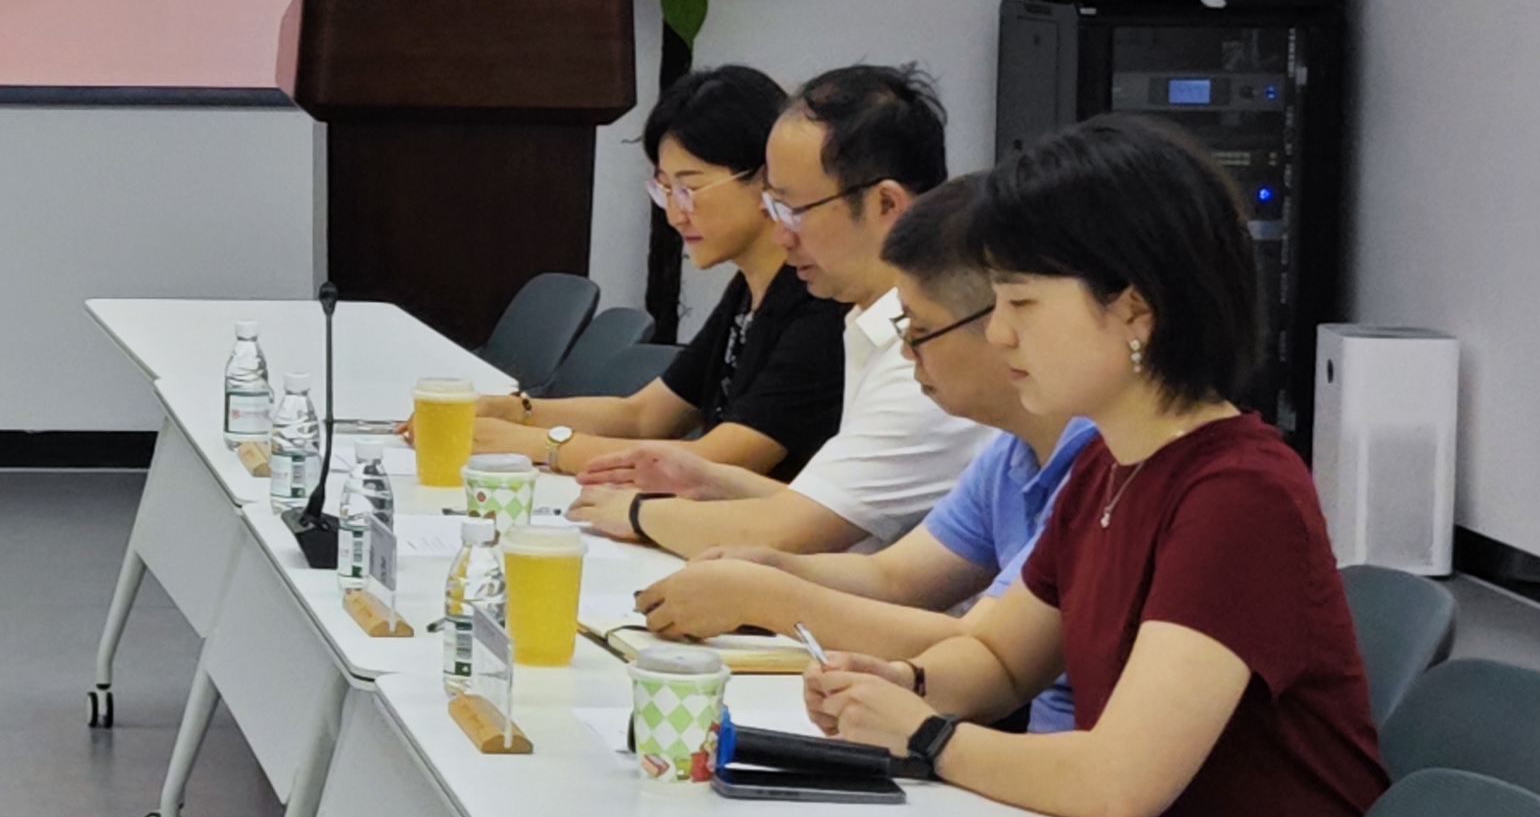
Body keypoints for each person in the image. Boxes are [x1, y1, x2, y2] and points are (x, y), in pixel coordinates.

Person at [805, 116, 1387, 817]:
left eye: (1022, 302)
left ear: (1135, 310)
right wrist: (903, 685)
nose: (999, 332)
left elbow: (1118, 782)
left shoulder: (1240, 497)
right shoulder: (1109, 466)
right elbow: (1001, 659)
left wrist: (927, 735)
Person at [633, 174, 1095, 727]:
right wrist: (775, 567)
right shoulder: (1012, 450)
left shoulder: (1097, 462)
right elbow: (896, 577)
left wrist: (767, 596)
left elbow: (986, 648)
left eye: (920, 329)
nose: (906, 350)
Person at [572, 61, 980, 560]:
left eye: (795, 210)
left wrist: (637, 513)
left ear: (885, 205)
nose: (781, 235)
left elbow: (792, 531)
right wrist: (710, 480)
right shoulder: (867, 320)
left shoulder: (929, 350)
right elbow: (837, 511)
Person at [461, 63, 839, 484]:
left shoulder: (820, 303)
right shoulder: (749, 291)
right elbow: (644, 415)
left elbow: (717, 460)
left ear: (767, 179)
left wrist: (532, 444)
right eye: (666, 190)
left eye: (690, 189)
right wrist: (515, 411)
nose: (676, 214)